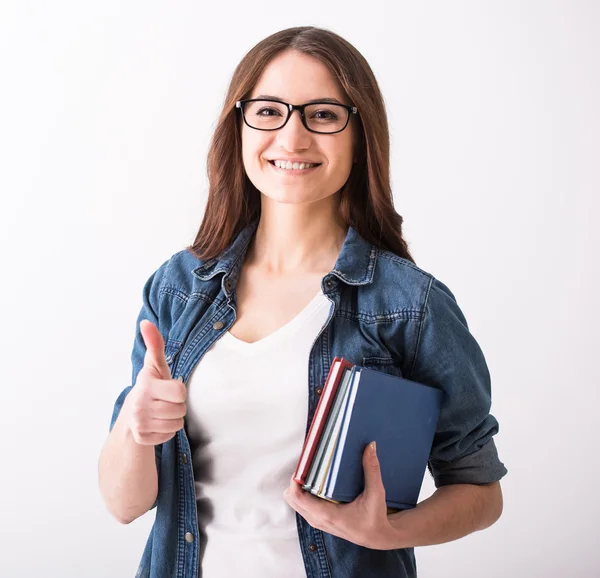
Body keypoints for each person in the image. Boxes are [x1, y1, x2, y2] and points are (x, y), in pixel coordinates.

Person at [98, 25, 507, 578]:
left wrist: (389, 532)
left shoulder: (410, 305)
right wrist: (136, 429)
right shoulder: (179, 286)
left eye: (322, 114)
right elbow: (124, 505)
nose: (292, 139)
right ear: (239, 125)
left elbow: (479, 490)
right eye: (269, 111)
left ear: (360, 132)